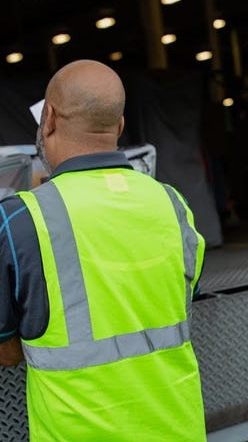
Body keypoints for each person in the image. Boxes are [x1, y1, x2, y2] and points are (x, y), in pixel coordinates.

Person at [0, 60, 207, 441]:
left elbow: (6, 350)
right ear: (121, 126)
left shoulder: (20, 220)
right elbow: (181, 300)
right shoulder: (173, 205)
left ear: (48, 119)